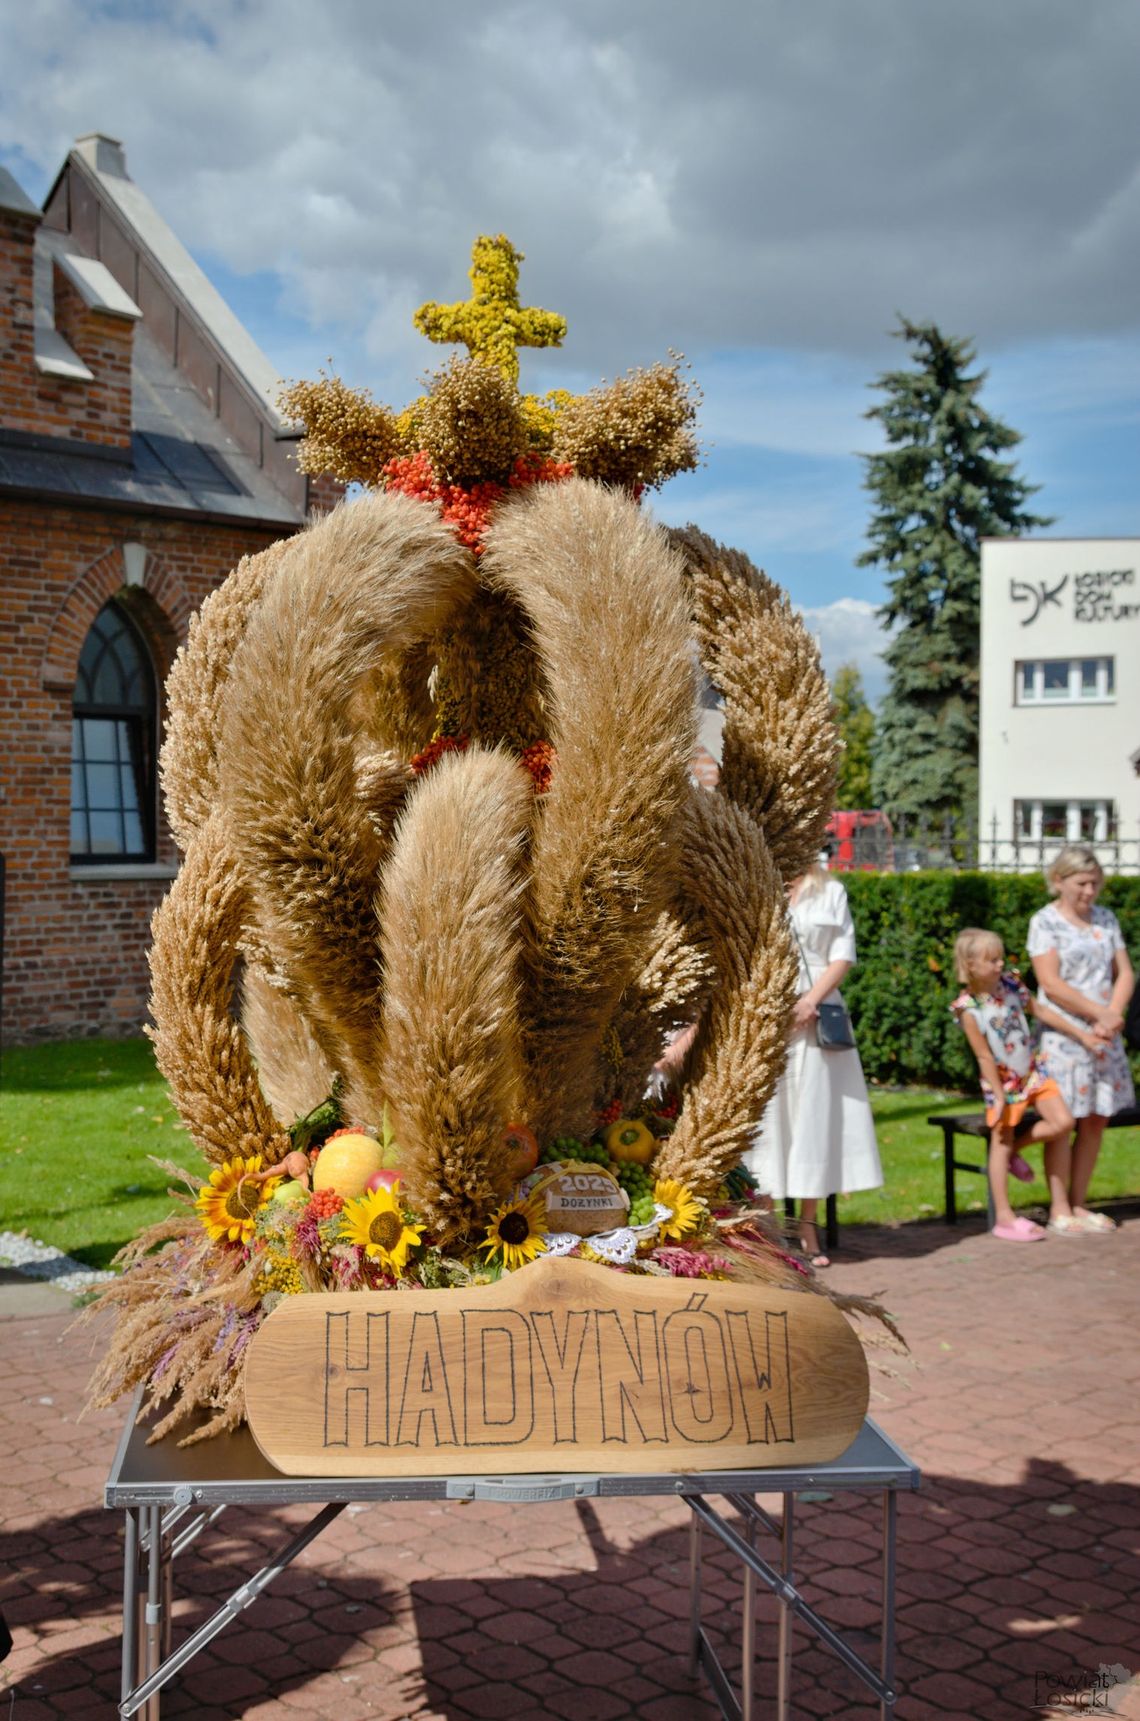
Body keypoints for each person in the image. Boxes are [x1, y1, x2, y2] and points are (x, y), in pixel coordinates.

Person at [744, 859, 881, 1267]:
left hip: (818, 1018)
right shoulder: (762, 881)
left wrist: (809, 1001)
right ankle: (768, 1227)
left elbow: (842, 955)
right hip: (771, 1015)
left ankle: (807, 1225)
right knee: (769, 1122)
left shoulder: (830, 891)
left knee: (814, 1120)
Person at [1027, 846, 1135, 1235]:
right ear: (1059, 881)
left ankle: (1080, 1202)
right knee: (1065, 1118)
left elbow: (1123, 972)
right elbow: (1051, 984)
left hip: (1104, 1037)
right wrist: (1096, 1015)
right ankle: (1059, 1209)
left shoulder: (1105, 920)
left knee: (1095, 1119)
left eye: (1095, 883)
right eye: (1082, 883)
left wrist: (1113, 1014)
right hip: (1065, 1037)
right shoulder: (1045, 922)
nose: (1090, 891)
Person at [951, 928, 1081, 1242]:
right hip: (1003, 1083)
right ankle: (1005, 1218)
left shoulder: (1011, 985)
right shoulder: (969, 1009)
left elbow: (1038, 1010)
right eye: (992, 960)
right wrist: (998, 1096)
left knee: (1063, 1122)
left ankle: (1014, 1153)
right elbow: (983, 1056)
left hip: (1033, 1074)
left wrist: (1082, 1034)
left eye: (1000, 957)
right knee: (1001, 1140)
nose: (1000, 964)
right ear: (970, 965)